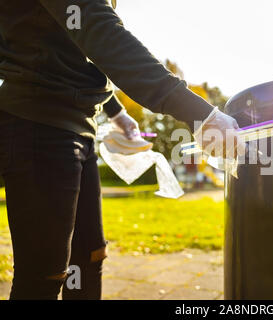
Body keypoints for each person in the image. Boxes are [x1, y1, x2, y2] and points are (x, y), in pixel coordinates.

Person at [0, 0, 243, 300]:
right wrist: (199, 114)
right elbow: (99, 30)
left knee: (89, 257)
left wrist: (115, 112)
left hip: (80, 125)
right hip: (39, 123)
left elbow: (82, 43)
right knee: (44, 276)